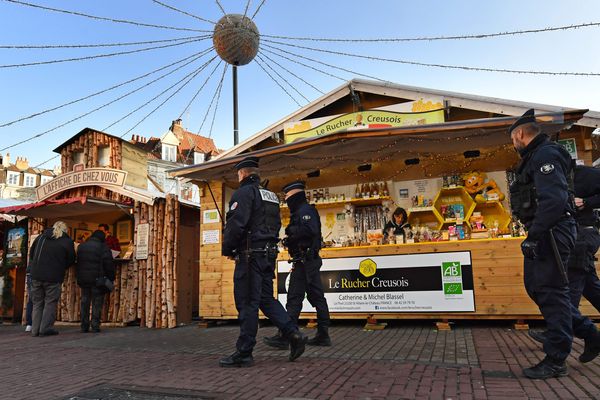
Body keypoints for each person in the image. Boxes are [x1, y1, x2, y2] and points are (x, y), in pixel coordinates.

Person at [509, 109, 600, 379]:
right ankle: (587, 332)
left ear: (520, 134)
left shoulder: (546, 155)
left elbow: (553, 200)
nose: (513, 145)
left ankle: (556, 358)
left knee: (552, 292)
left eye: (512, 140)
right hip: (545, 230)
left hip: (551, 231)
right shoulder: (537, 156)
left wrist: (535, 235)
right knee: (537, 288)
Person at [220, 156, 307, 367]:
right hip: (267, 255)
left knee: (247, 302)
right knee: (266, 299)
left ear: (242, 174)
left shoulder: (243, 193)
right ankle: (293, 334)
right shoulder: (271, 196)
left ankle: (244, 352)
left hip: (249, 256)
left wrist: (227, 248)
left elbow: (236, 225)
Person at [529, 166, 600, 353]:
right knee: (590, 287)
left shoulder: (585, 175)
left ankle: (561, 339)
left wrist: (586, 201)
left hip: (583, 234)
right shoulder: (550, 178)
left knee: (567, 290)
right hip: (575, 236)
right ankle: (563, 332)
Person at [264, 181, 331, 350]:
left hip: (305, 261)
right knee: (317, 297)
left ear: (293, 195)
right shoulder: (303, 210)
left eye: (286, 196)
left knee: (294, 298)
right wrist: (290, 239)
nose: (285, 199)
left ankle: (286, 336)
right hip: (308, 260)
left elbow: (310, 231)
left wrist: (292, 235)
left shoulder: (305, 211)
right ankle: (323, 335)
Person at [28, 221, 75, 337]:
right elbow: (71, 259)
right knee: (50, 302)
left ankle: (35, 330)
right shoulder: (67, 241)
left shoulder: (41, 237)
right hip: (53, 277)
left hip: (36, 275)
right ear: (65, 230)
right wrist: (62, 267)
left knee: (37, 303)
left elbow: (32, 254)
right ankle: (45, 329)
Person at [76, 230, 115, 333]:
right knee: (97, 302)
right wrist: (111, 277)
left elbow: (78, 263)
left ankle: (84, 325)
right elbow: (108, 264)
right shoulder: (103, 247)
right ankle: (95, 325)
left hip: (84, 279)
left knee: (85, 301)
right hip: (98, 279)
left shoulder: (81, 246)